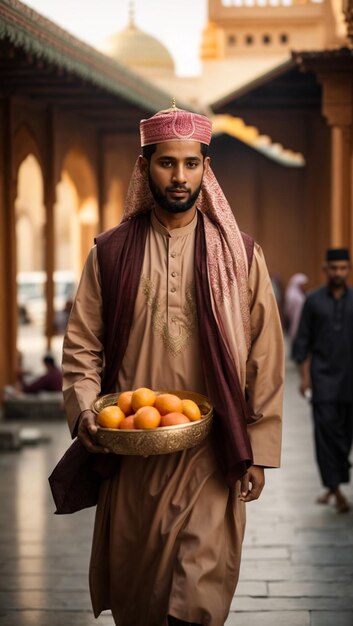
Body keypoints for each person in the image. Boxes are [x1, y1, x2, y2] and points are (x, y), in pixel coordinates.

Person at [59, 105, 284, 626]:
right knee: (141, 603)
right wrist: (85, 410)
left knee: (196, 602)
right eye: (166, 163)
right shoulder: (109, 254)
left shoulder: (241, 256)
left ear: (206, 169)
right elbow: (82, 348)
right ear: (145, 168)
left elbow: (266, 358)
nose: (179, 176)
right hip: (133, 456)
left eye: (190, 163)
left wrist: (259, 448)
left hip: (211, 456)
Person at [292, 248, 353, 513]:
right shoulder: (313, 301)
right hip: (323, 381)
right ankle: (336, 488)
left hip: (351, 382)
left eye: (343, 268)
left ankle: (334, 483)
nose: (338, 272)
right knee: (325, 435)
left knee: (345, 437)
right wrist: (305, 379)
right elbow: (303, 342)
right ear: (325, 269)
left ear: (348, 270)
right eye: (334, 268)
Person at [283, 272, 309, 346]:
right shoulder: (293, 295)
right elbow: (288, 310)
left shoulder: (300, 294)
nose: (304, 287)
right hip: (294, 320)